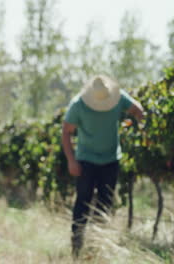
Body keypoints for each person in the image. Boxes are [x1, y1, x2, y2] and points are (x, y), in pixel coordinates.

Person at [61, 75, 144, 257]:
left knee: (105, 205)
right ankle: (77, 249)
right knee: (82, 204)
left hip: (111, 161)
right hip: (86, 162)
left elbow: (138, 110)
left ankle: (97, 246)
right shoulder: (78, 105)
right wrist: (71, 160)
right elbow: (66, 132)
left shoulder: (118, 97)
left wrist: (138, 126)